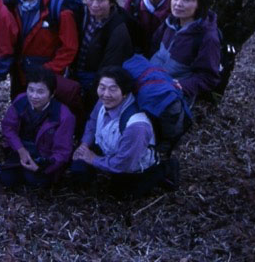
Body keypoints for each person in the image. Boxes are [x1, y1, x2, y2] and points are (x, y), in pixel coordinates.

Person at [71, 66, 177, 197]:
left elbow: (123, 164)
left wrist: (93, 159)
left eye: (113, 89)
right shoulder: (103, 101)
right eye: (102, 87)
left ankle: (163, 170)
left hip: (132, 164)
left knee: (120, 194)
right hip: (111, 149)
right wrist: (84, 145)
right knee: (77, 170)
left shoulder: (136, 126)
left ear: (125, 92)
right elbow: (92, 122)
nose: (105, 94)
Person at [8, 0, 81, 120]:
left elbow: (69, 47)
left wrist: (47, 71)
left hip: (48, 77)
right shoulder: (13, 6)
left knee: (46, 117)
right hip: (20, 74)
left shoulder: (58, 8)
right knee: (20, 112)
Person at [0, 67, 75, 189]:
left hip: (44, 157)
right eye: (31, 90)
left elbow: (63, 151)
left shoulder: (64, 116)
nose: (34, 96)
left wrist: (42, 167)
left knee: (35, 182)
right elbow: (8, 126)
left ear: (52, 93)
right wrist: (20, 149)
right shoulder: (21, 100)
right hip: (21, 149)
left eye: (40, 92)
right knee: (6, 179)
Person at [149, 0, 221, 100]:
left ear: (199, 4)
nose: (178, 4)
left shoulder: (207, 37)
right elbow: (153, 48)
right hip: (150, 82)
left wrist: (182, 86)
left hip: (173, 93)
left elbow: (209, 77)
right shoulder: (169, 23)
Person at [73, 0, 133, 99]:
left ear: (111, 2)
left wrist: (94, 91)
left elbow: (110, 66)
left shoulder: (118, 29)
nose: (94, 4)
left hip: (96, 80)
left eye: (100, 0)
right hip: (75, 74)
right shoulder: (82, 14)